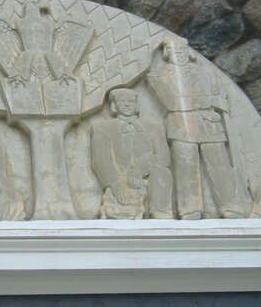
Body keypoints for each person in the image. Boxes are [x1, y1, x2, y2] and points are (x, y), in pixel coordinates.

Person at [147, 35, 252, 219]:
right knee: (186, 166)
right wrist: (205, 101)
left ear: (188, 52)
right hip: (181, 124)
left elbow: (221, 98)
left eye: (181, 50)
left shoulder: (206, 73)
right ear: (166, 53)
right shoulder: (159, 75)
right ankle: (190, 208)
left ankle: (231, 205)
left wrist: (211, 102)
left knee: (219, 164)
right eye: (173, 50)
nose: (178, 53)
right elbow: (172, 102)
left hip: (209, 123)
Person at [90, 88, 173, 219]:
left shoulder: (154, 127)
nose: (127, 104)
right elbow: (101, 159)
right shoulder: (102, 128)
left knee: (163, 172)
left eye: (131, 101)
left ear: (137, 105)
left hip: (146, 178)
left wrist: (139, 168)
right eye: (122, 101)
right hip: (119, 179)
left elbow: (164, 157)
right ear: (114, 105)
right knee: (120, 211)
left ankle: (160, 212)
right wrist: (115, 183)